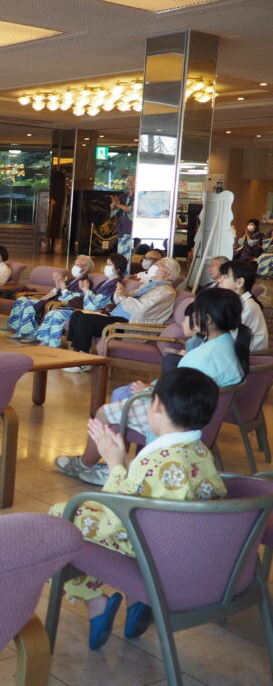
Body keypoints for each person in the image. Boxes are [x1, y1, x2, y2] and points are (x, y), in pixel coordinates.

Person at [49, 368, 225, 650]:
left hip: (150, 548)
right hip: (185, 545)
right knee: (83, 515)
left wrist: (115, 464)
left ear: (157, 404)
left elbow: (117, 513)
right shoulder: (201, 453)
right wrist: (124, 463)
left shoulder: (156, 459)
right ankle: (136, 601)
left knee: (60, 517)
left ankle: (96, 602)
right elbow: (153, 492)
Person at [58, 288, 249, 485]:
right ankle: (118, 466)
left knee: (104, 413)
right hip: (198, 420)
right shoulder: (227, 345)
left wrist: (149, 391)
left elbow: (178, 397)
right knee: (122, 403)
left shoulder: (204, 357)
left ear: (207, 319)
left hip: (175, 420)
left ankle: (85, 465)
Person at [65, 257, 180, 360]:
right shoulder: (149, 285)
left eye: (158, 265)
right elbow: (122, 300)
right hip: (116, 316)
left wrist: (124, 296)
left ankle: (82, 360)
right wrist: (119, 293)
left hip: (128, 324)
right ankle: (75, 353)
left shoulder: (166, 291)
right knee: (77, 314)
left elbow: (142, 310)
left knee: (85, 319)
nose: (153, 266)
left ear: (166, 272)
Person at [35, 254, 126, 348]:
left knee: (58, 314)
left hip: (96, 312)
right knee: (52, 312)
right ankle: (45, 341)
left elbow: (96, 304)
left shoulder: (115, 284)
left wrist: (86, 290)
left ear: (118, 269)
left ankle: (53, 345)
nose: (106, 266)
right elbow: (94, 298)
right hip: (85, 308)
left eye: (109, 264)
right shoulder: (105, 282)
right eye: (106, 264)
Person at [7, 255, 96, 342]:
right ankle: (20, 330)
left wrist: (62, 286)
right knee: (21, 300)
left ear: (85, 269)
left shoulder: (85, 282)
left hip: (60, 304)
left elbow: (73, 300)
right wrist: (57, 286)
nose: (74, 267)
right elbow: (55, 292)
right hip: (52, 299)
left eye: (77, 265)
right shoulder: (71, 280)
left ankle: (30, 333)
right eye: (74, 264)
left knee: (28, 304)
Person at [218, 259, 268, 351]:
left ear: (239, 282)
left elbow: (231, 336)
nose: (219, 280)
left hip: (250, 354)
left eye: (225, 277)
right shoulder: (235, 302)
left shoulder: (248, 306)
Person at [110, 174, 134, 260]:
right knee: (121, 256)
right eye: (129, 180)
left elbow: (131, 210)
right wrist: (113, 205)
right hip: (122, 229)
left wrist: (117, 204)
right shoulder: (123, 196)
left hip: (132, 230)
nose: (130, 182)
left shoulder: (139, 195)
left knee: (129, 257)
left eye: (133, 180)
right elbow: (114, 210)